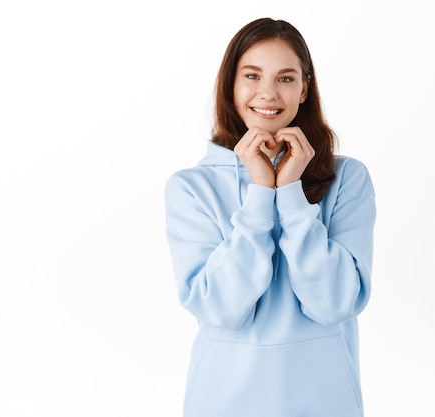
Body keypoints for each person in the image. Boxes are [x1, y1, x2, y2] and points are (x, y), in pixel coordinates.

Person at [164, 17, 376, 417]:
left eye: (284, 78)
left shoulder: (347, 179)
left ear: (304, 88)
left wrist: (291, 195)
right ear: (231, 84)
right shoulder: (191, 188)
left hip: (325, 401)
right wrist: (261, 194)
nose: (267, 93)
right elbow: (222, 308)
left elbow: (336, 302)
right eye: (252, 75)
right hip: (223, 400)